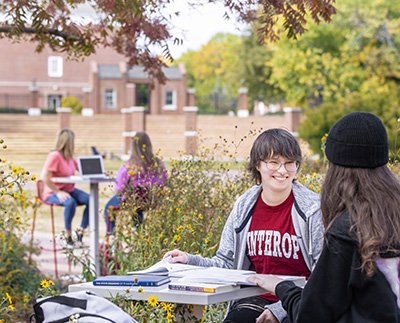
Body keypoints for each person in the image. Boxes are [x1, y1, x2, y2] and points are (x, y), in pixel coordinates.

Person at [248, 112, 400, 322]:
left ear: (337, 170)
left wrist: (280, 287)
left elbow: (313, 314)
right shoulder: (392, 217)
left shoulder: (348, 230)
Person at [164, 128, 325, 323]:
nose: (283, 170)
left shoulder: (312, 209)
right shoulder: (245, 205)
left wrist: (281, 309)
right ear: (258, 164)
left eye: (290, 163)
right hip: (253, 300)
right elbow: (226, 263)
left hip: (298, 303)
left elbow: (323, 275)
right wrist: (190, 261)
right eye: (274, 162)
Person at [104, 131, 167, 234]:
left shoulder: (129, 166)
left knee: (109, 208)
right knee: (137, 207)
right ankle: (140, 234)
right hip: (152, 201)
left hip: (132, 201)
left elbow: (119, 188)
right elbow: (164, 181)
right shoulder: (158, 164)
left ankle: (111, 236)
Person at [40, 129, 89, 247]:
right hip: (53, 193)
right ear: (68, 142)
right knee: (70, 202)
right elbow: (44, 177)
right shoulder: (55, 156)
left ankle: (80, 232)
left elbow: (83, 170)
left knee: (90, 199)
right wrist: (57, 192)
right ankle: (68, 237)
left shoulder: (70, 158)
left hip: (69, 190)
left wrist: (96, 171)